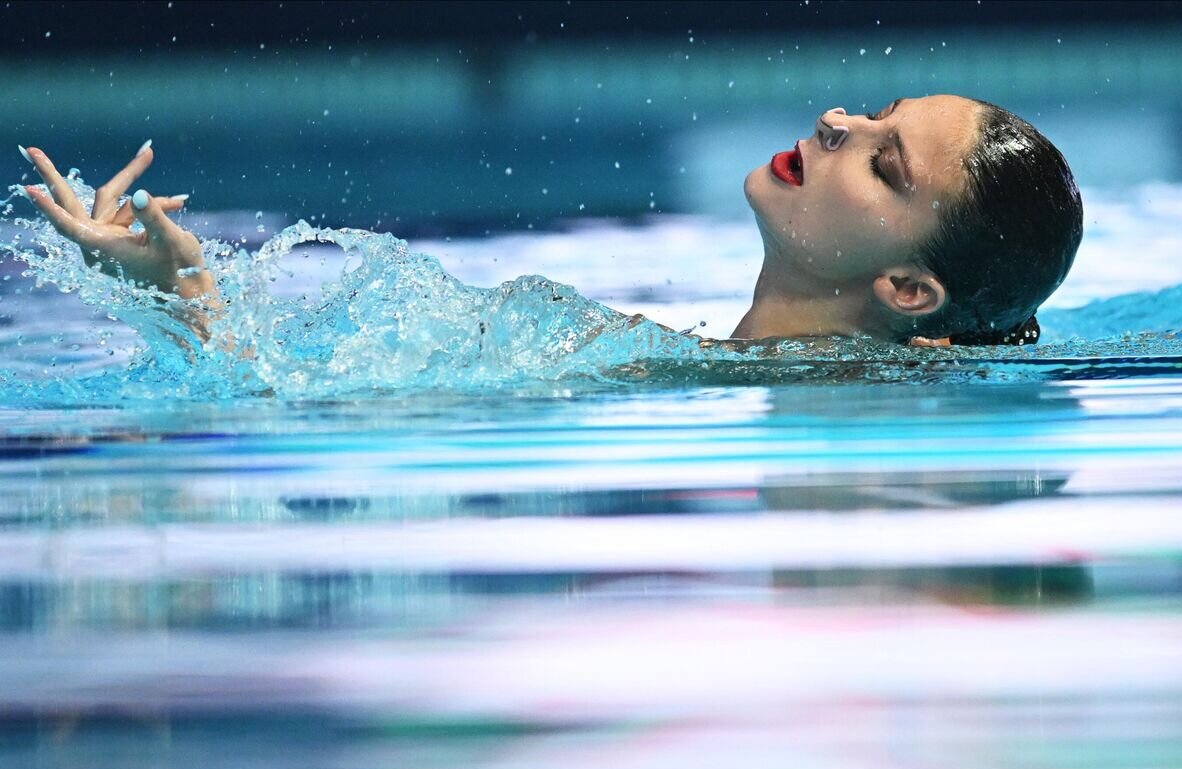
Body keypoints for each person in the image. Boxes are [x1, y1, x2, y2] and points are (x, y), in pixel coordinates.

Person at [18, 93, 1082, 349]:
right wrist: (181, 299)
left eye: (883, 159)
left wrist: (188, 299)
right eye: (872, 110)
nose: (837, 120)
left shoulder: (698, 378)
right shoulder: (660, 359)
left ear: (909, 290)